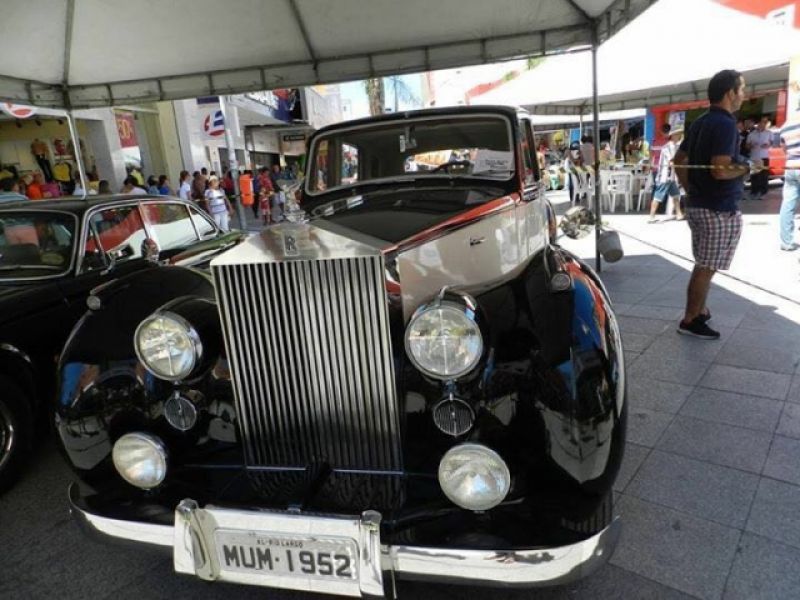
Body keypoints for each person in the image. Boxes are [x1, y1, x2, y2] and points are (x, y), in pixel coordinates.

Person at [673, 69, 759, 340]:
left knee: (705, 264)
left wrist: (690, 190)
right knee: (706, 266)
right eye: (741, 90)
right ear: (730, 93)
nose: (744, 95)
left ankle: (699, 310)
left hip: (701, 204)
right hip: (716, 207)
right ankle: (690, 319)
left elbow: (678, 160)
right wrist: (748, 167)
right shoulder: (724, 124)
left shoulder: (701, 121)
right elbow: (720, 170)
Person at [648, 127, 685, 223]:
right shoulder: (667, 147)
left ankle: (679, 214)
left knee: (676, 195)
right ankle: (651, 216)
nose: (680, 135)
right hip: (665, 176)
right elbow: (671, 161)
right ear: (673, 135)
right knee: (658, 196)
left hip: (671, 176)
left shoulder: (676, 145)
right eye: (678, 134)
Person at [778, 116, 800, 251]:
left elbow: (783, 147)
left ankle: (786, 242)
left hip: (790, 166)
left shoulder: (786, 125)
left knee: (787, 204)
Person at [745, 115, 773, 199]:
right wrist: (751, 146)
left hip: (764, 156)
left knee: (764, 175)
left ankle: (763, 192)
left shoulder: (769, 133)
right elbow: (747, 145)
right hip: (754, 156)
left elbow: (771, 143)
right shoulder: (752, 134)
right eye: (761, 122)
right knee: (754, 175)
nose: (762, 124)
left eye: (764, 122)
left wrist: (767, 145)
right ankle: (754, 192)